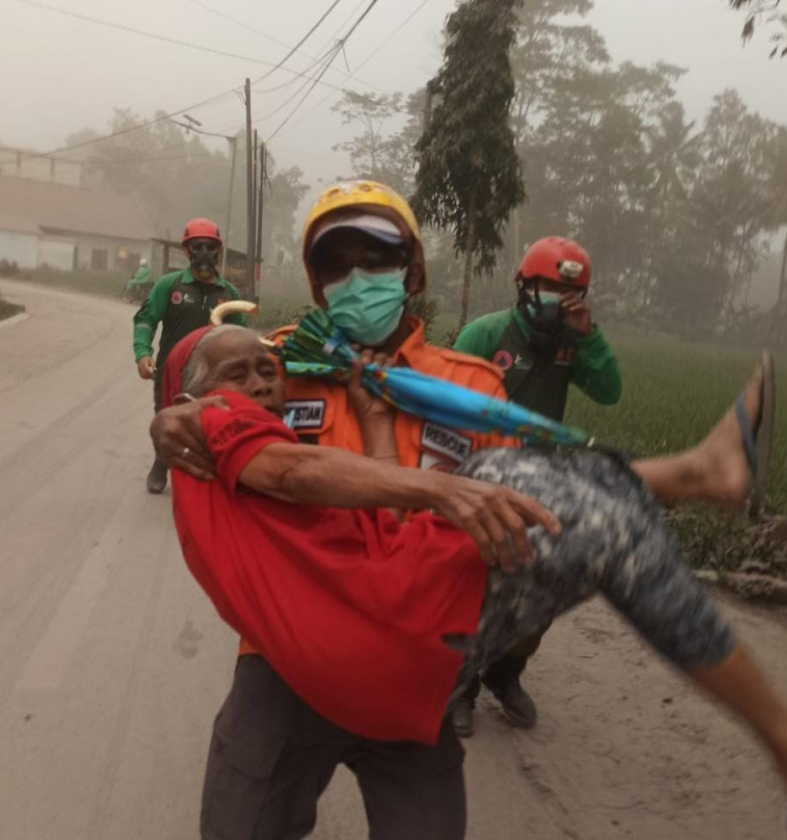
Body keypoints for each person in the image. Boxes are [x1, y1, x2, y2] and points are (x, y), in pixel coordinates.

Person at [163, 322, 787, 835]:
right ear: (192, 393)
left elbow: (374, 523)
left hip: (380, 638)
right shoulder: (210, 427)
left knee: (549, 487)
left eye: (269, 366)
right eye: (240, 370)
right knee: (582, 520)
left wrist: (372, 420)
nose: (265, 379)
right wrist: (445, 488)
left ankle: (700, 473)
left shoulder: (370, 389)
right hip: (386, 634)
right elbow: (294, 469)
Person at [155, 182, 511, 840]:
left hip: (412, 666)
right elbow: (204, 394)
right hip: (282, 658)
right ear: (317, 287)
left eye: (376, 259)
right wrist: (173, 416)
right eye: (335, 265)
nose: (356, 278)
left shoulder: (470, 389)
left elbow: (505, 518)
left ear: (414, 268)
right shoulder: (276, 361)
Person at [450, 236, 621, 735]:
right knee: (472, 583)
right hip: (483, 472)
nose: (556, 298)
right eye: (546, 287)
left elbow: (610, 392)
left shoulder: (573, 343)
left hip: (543, 481)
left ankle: (506, 672)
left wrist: (589, 338)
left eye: (568, 292)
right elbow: (448, 404)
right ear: (523, 285)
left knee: (541, 584)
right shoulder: (486, 334)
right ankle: (459, 685)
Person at [132, 219, 246, 494]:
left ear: (218, 250)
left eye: (210, 246)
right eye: (198, 246)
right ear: (187, 251)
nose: (204, 252)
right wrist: (143, 353)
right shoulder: (169, 286)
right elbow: (146, 321)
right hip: (171, 371)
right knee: (167, 421)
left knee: (209, 426)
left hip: (211, 375)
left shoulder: (229, 294)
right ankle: (161, 463)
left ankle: (203, 475)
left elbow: (240, 337)